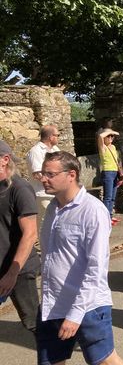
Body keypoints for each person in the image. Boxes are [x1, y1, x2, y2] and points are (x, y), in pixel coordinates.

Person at [36, 151, 123, 365]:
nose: (43, 178)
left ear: (71, 175)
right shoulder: (52, 209)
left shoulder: (92, 211)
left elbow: (96, 268)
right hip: (52, 302)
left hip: (88, 307)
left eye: (50, 174)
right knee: (50, 361)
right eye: (43, 173)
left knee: (105, 361)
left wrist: (75, 315)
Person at [0, 140, 39, 333]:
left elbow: (30, 234)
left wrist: (11, 274)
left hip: (18, 270)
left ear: (4, 160)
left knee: (34, 322)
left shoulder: (19, 189)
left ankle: (68, 343)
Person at [26, 124, 60, 232]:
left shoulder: (55, 149)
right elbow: (37, 174)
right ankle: (44, 248)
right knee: (45, 224)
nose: (58, 137)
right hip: (43, 194)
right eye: (57, 135)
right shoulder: (36, 151)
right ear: (51, 137)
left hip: (56, 193)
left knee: (56, 223)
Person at [97, 128, 122, 224]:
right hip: (107, 172)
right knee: (107, 196)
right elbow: (100, 136)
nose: (111, 137)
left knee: (112, 196)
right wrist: (111, 132)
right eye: (109, 136)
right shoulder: (103, 147)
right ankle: (105, 217)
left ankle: (110, 216)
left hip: (115, 172)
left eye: (112, 136)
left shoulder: (113, 147)